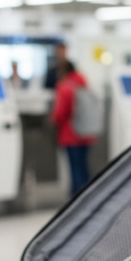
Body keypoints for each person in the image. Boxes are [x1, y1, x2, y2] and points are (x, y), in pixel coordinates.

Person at [51, 60, 96, 196]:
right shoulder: (84, 84)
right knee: (84, 167)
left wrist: (52, 119)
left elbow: (60, 113)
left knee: (75, 169)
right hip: (87, 133)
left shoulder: (64, 87)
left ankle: (77, 199)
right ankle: (88, 195)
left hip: (70, 134)